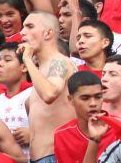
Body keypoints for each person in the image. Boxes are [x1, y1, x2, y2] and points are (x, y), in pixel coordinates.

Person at [20, 11, 77, 163]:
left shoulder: (60, 62)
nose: (22, 32)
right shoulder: (42, 69)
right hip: (38, 157)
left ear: (48, 33)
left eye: (30, 26)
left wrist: (27, 59)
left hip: (55, 155)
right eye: (23, 27)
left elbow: (49, 94)